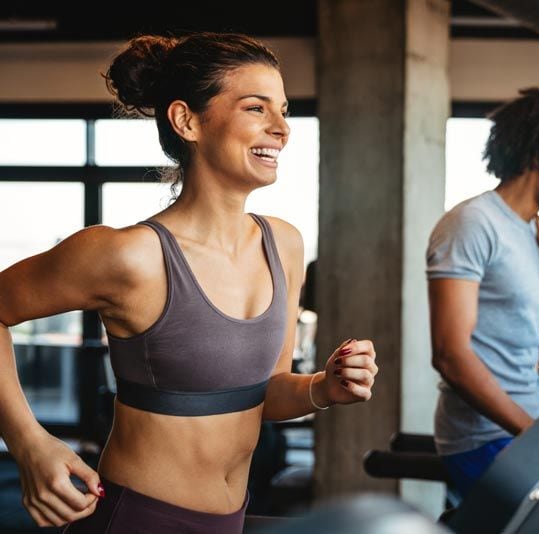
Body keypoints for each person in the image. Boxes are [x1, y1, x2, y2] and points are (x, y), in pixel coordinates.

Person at [0, 32, 378, 532]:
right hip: (137, 517)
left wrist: (323, 388)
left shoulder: (283, 244)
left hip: (231, 518)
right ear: (187, 120)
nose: (282, 127)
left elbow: (265, 393)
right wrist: (28, 442)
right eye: (255, 108)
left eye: (283, 109)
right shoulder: (129, 255)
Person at [426, 87, 539, 498]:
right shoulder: (472, 223)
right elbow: (450, 355)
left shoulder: (527, 229)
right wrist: (536, 434)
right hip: (482, 436)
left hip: (528, 421)